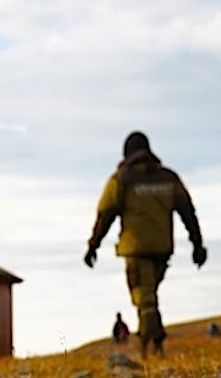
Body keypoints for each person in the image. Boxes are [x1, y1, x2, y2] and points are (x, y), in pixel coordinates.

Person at [85, 131, 207, 357]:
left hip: (136, 249)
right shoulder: (168, 178)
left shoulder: (122, 179)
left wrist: (93, 245)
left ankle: (153, 344)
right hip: (162, 249)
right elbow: (188, 212)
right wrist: (197, 245)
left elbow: (105, 215)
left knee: (144, 297)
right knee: (149, 296)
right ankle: (148, 344)